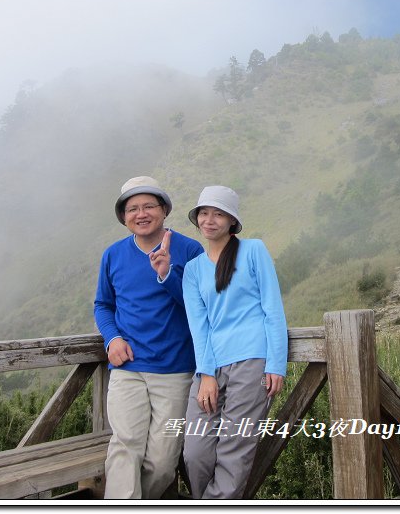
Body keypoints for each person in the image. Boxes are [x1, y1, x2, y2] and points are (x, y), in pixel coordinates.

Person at [93, 176, 204, 499]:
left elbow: (199, 307)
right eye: (132, 209)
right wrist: (112, 339)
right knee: (125, 445)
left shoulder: (190, 250)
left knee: (163, 460)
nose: (140, 214)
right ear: (124, 217)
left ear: (164, 210)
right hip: (128, 368)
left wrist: (167, 274)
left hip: (175, 369)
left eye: (148, 206)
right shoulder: (113, 255)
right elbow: (103, 304)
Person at [181, 185, 288, 499]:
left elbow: (272, 308)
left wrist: (276, 364)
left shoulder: (253, 250)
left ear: (231, 221)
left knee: (233, 449)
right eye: (204, 212)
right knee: (195, 451)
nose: (209, 220)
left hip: (252, 361)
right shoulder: (192, 270)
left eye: (218, 213)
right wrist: (207, 375)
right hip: (210, 366)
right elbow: (198, 328)